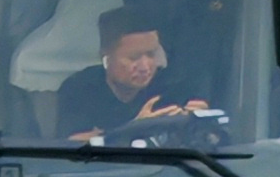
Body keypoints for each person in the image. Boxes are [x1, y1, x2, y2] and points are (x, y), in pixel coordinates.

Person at [59, 8, 215, 142]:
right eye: (134, 58)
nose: (145, 66)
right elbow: (72, 143)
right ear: (106, 56)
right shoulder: (80, 88)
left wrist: (198, 122)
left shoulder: (174, 87)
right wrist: (134, 129)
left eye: (151, 55)